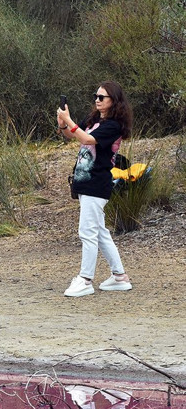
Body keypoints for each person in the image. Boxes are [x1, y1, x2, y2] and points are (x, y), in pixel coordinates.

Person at [57, 81, 133, 297]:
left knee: (87, 232)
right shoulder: (94, 119)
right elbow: (73, 134)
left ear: (114, 101)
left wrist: (69, 121)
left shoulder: (113, 126)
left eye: (102, 97)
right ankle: (120, 277)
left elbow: (88, 138)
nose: (97, 101)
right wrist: (63, 122)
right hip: (84, 181)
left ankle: (85, 279)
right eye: (96, 96)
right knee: (99, 232)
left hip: (97, 183)